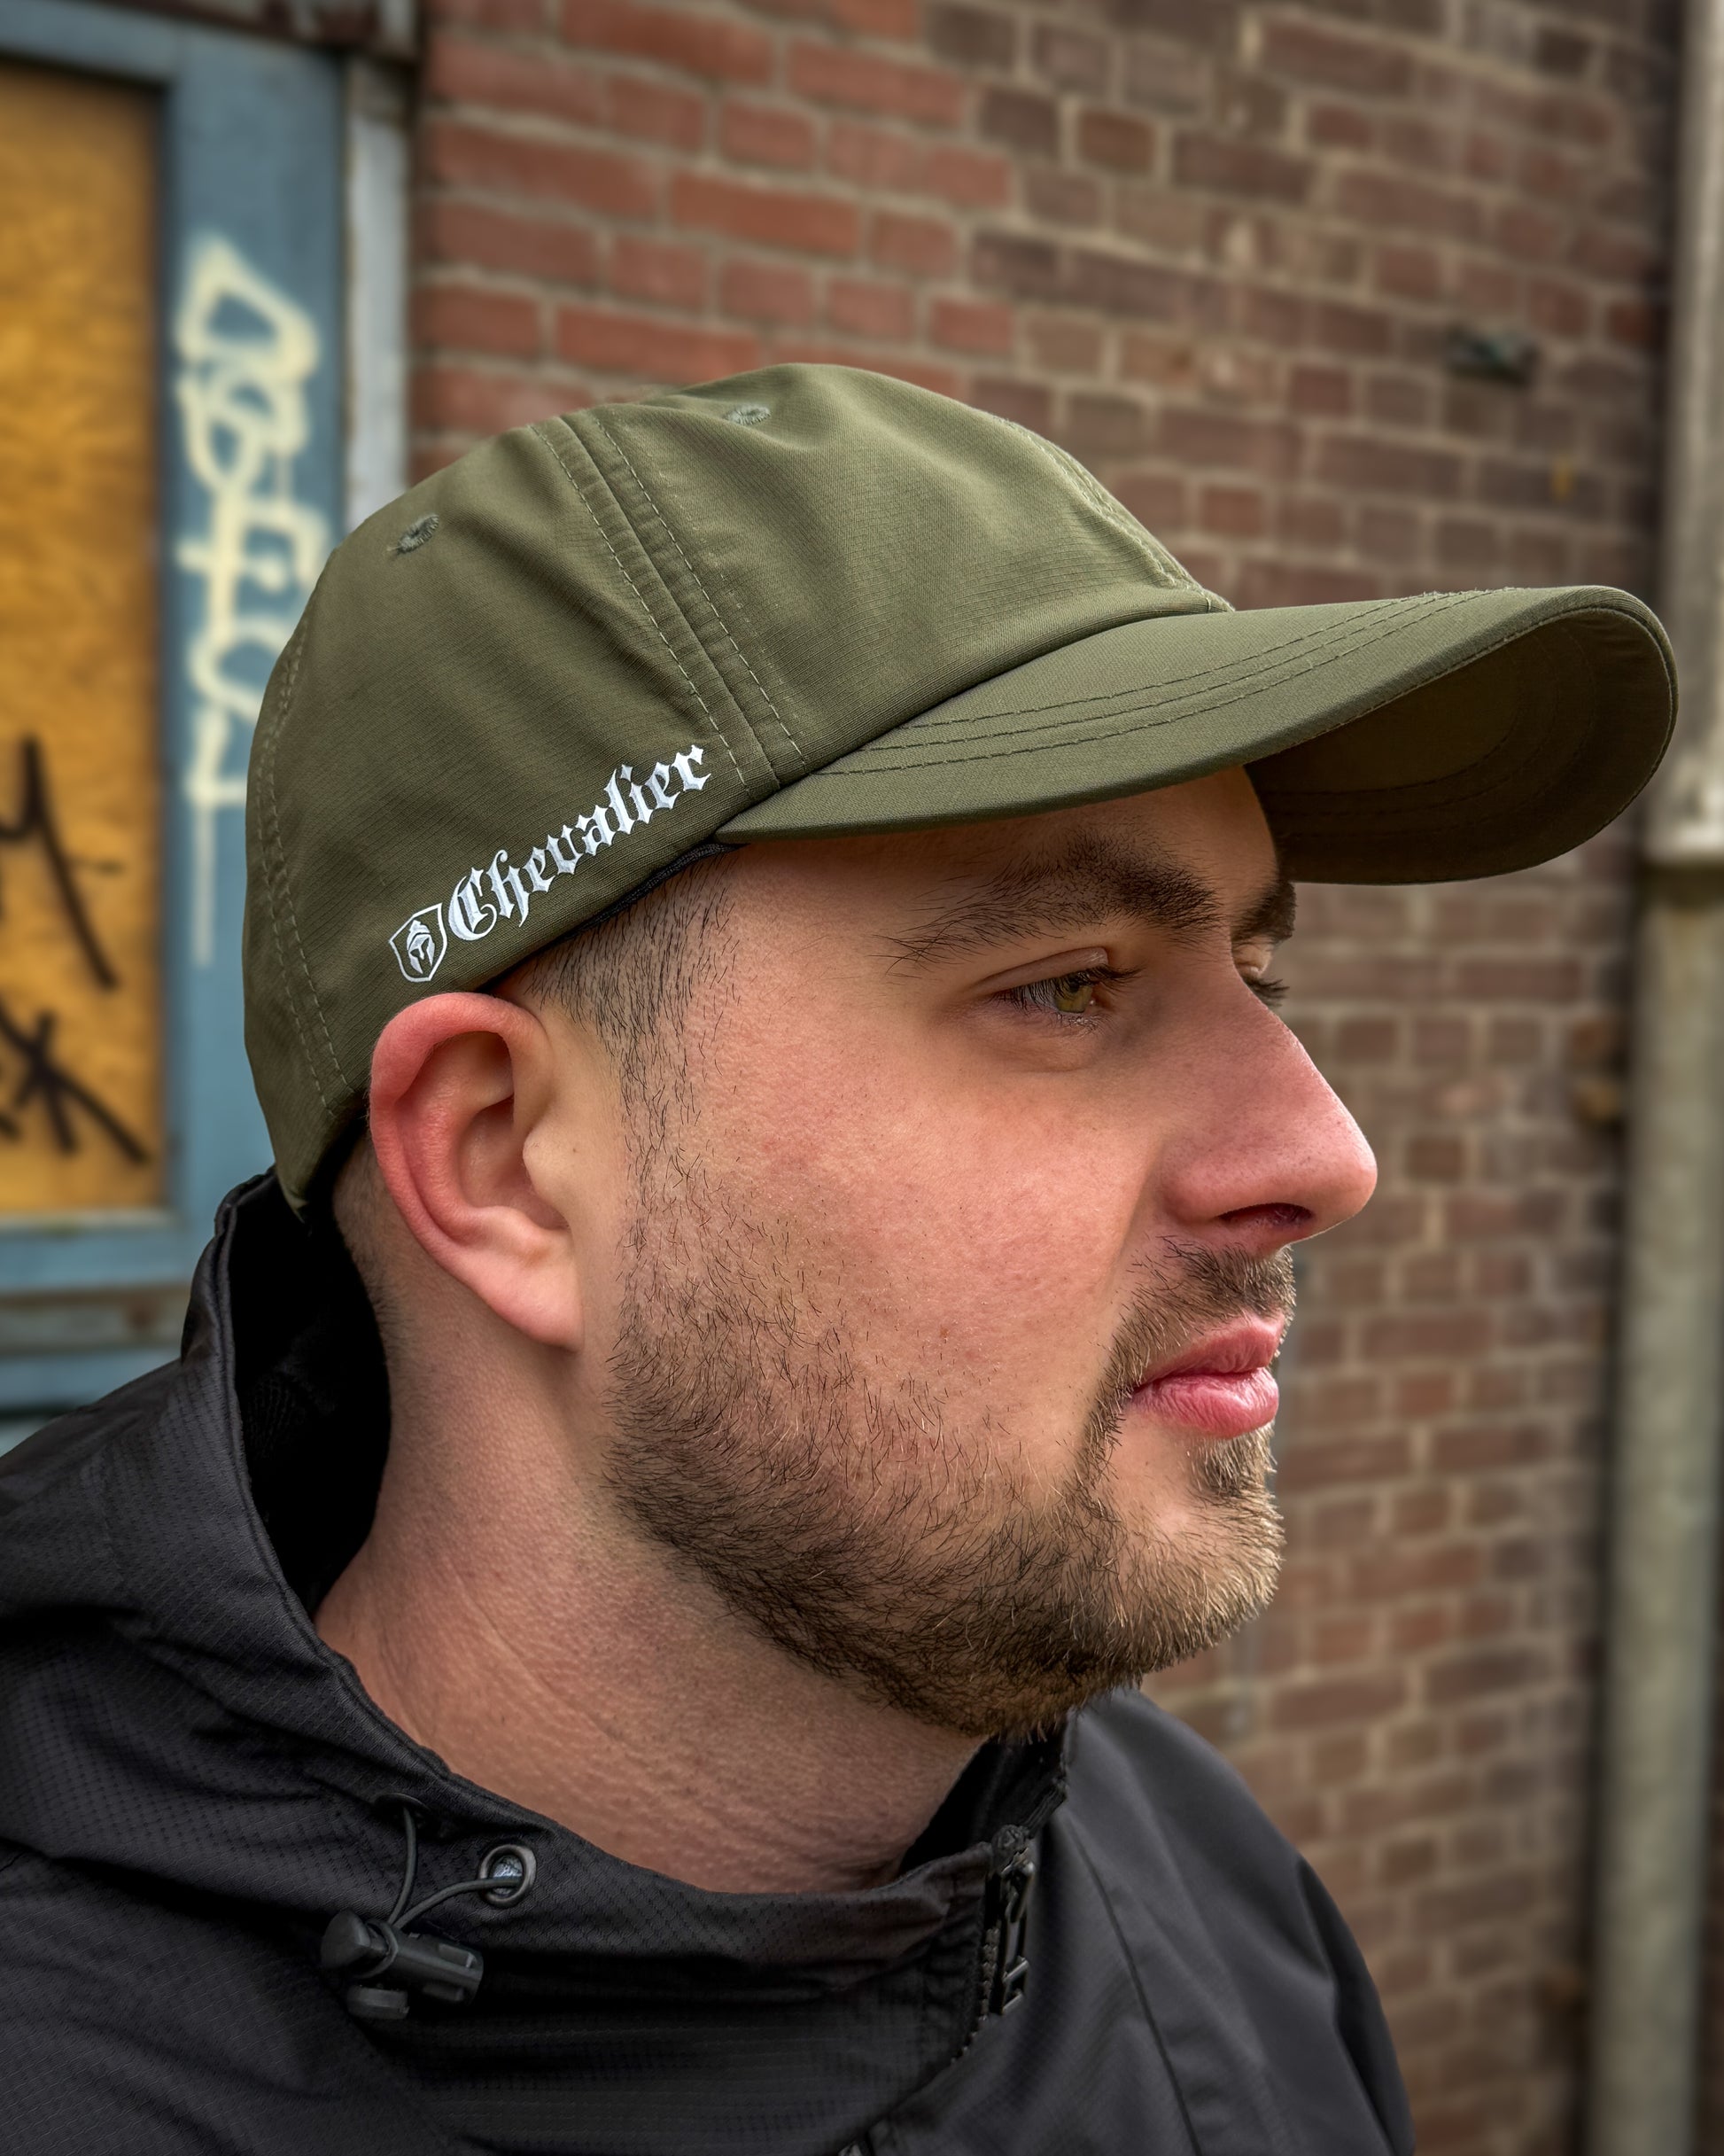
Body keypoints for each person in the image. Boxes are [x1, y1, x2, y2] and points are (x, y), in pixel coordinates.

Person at [0, 366, 1673, 2156]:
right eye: (1067, 985)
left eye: (1253, 979)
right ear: (506, 1163)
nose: (1323, 1156)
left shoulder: (1206, 1895)